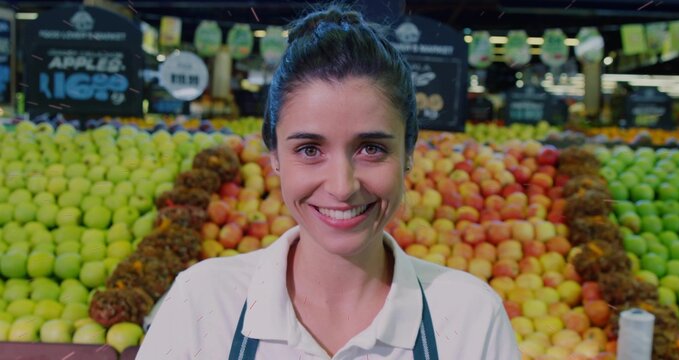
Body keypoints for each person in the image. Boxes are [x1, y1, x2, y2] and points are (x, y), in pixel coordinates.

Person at [137, 5, 519, 359]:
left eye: (371, 148)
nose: (342, 186)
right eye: (308, 149)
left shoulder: (470, 317)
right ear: (274, 155)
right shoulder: (202, 304)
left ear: (408, 152)